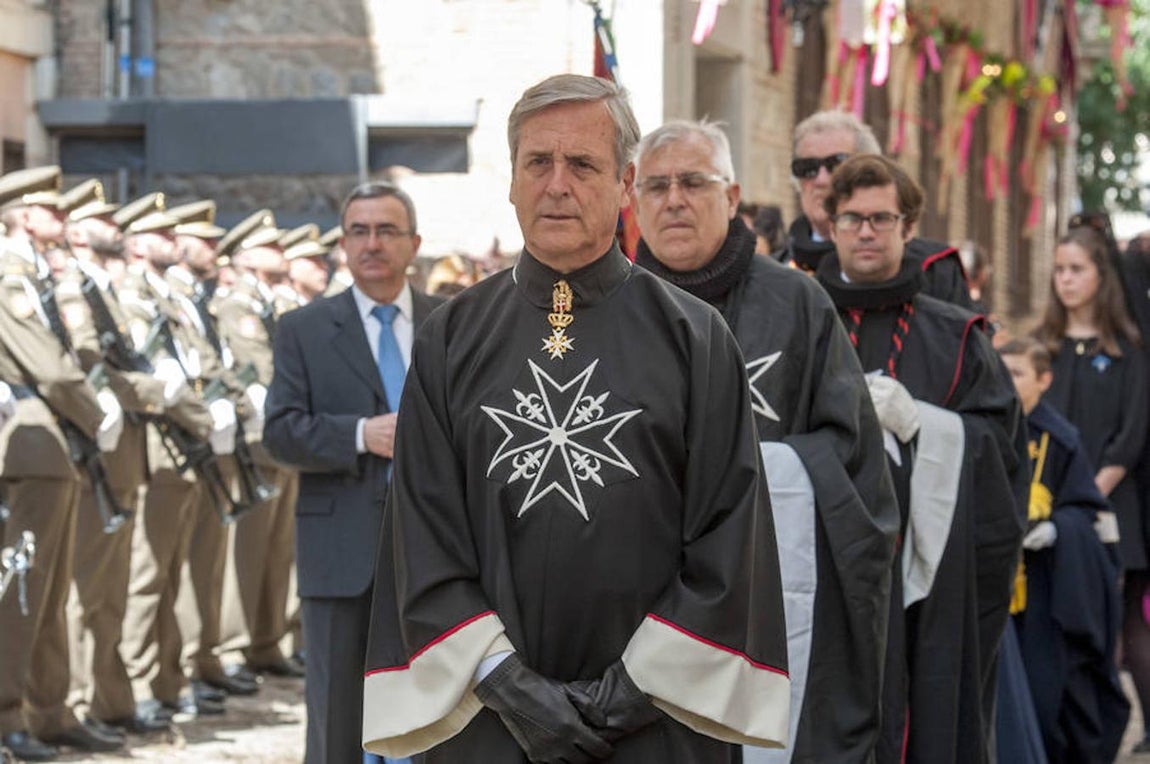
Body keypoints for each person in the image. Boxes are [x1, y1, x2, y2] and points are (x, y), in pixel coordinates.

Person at [360, 74, 789, 763]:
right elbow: (421, 533)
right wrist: (510, 686)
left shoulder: (695, 338)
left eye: (582, 164)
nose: (557, 184)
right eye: (538, 163)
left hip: (656, 722)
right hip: (490, 720)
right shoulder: (450, 337)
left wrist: (623, 698)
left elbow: (728, 536)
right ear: (512, 179)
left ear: (624, 185)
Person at [630, 119, 898, 763]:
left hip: (770, 601)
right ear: (632, 202)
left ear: (732, 196)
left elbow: (854, 458)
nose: (674, 199)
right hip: (636, 608)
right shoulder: (606, 309)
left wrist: (765, 467)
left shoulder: (799, 303)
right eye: (656, 185)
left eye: (694, 182)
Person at [814, 154, 1027, 763]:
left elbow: (1003, 458)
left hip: (928, 592)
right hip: (824, 575)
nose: (866, 232)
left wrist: (929, 428)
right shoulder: (798, 322)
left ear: (909, 228)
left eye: (882, 218)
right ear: (830, 225)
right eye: (852, 218)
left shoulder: (958, 335)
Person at [263, 182, 443, 764]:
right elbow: (281, 431)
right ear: (342, 244)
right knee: (338, 717)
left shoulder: (453, 321)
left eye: (387, 230)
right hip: (340, 553)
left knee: (437, 712)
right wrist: (359, 435)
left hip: (438, 553)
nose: (372, 243)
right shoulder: (304, 329)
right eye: (359, 231)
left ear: (413, 243)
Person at [0, 166, 126, 760]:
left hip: (54, 440)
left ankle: (48, 710)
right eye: (53, 210)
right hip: (31, 439)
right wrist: (94, 408)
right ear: (24, 215)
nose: (64, 220)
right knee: (23, 587)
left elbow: (77, 350)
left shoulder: (43, 275)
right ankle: (8, 718)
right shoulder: (11, 271)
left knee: (48, 589)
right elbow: (50, 368)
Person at [1032, 226, 1150, 750]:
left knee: (1120, 622)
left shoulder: (1125, 350)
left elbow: (1131, 434)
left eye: (1077, 269)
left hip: (1107, 506)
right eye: (1059, 269)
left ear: (1101, 276)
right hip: (1045, 510)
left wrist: (1088, 491)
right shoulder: (1045, 347)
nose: (1066, 280)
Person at [997, 337, 1128, 762]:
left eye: (1017, 373)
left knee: (1045, 696)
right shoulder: (988, 430)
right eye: (1002, 372)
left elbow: (1088, 512)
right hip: (996, 589)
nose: (1007, 382)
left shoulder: (1062, 439)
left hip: (1045, 594)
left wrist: (1057, 528)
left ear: (1044, 379)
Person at [212, 211, 303, 681]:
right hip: (257, 437)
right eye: (269, 246)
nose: (281, 253)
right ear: (245, 257)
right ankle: (234, 645)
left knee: (276, 549)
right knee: (247, 552)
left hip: (279, 437)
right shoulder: (237, 306)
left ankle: (266, 640)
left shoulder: (266, 304)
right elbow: (261, 367)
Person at [777, 110, 972, 308]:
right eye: (807, 168)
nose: (821, 180)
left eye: (836, 164)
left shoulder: (933, 270)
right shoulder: (773, 274)